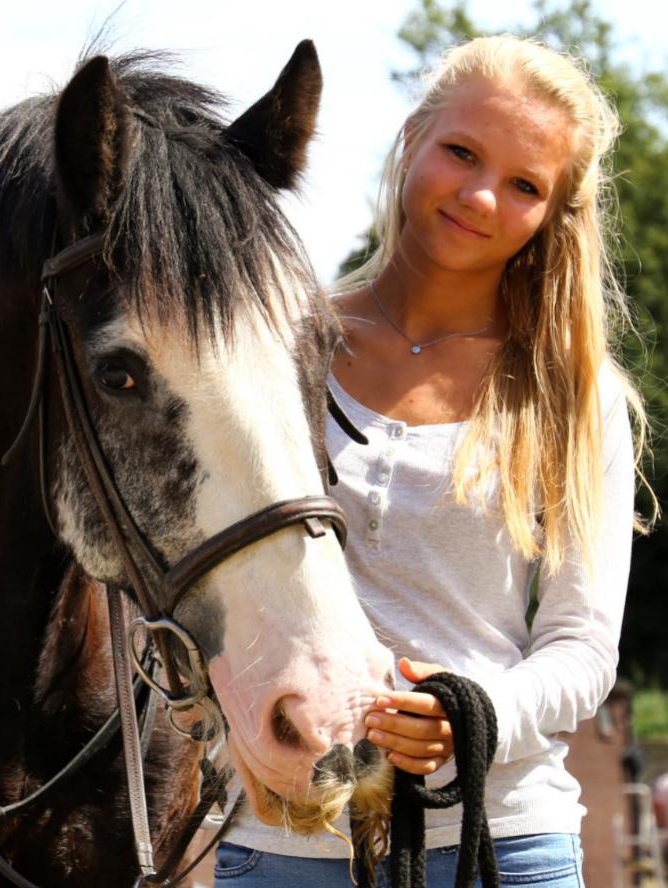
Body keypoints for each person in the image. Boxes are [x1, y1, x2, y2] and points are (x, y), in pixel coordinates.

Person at [213, 34, 653, 886]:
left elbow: (581, 645)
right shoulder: (271, 346)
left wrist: (475, 714)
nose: (481, 196)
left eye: (524, 185)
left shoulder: (571, 393)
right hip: (278, 847)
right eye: (461, 151)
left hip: (505, 845)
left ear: (549, 215)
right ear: (411, 136)